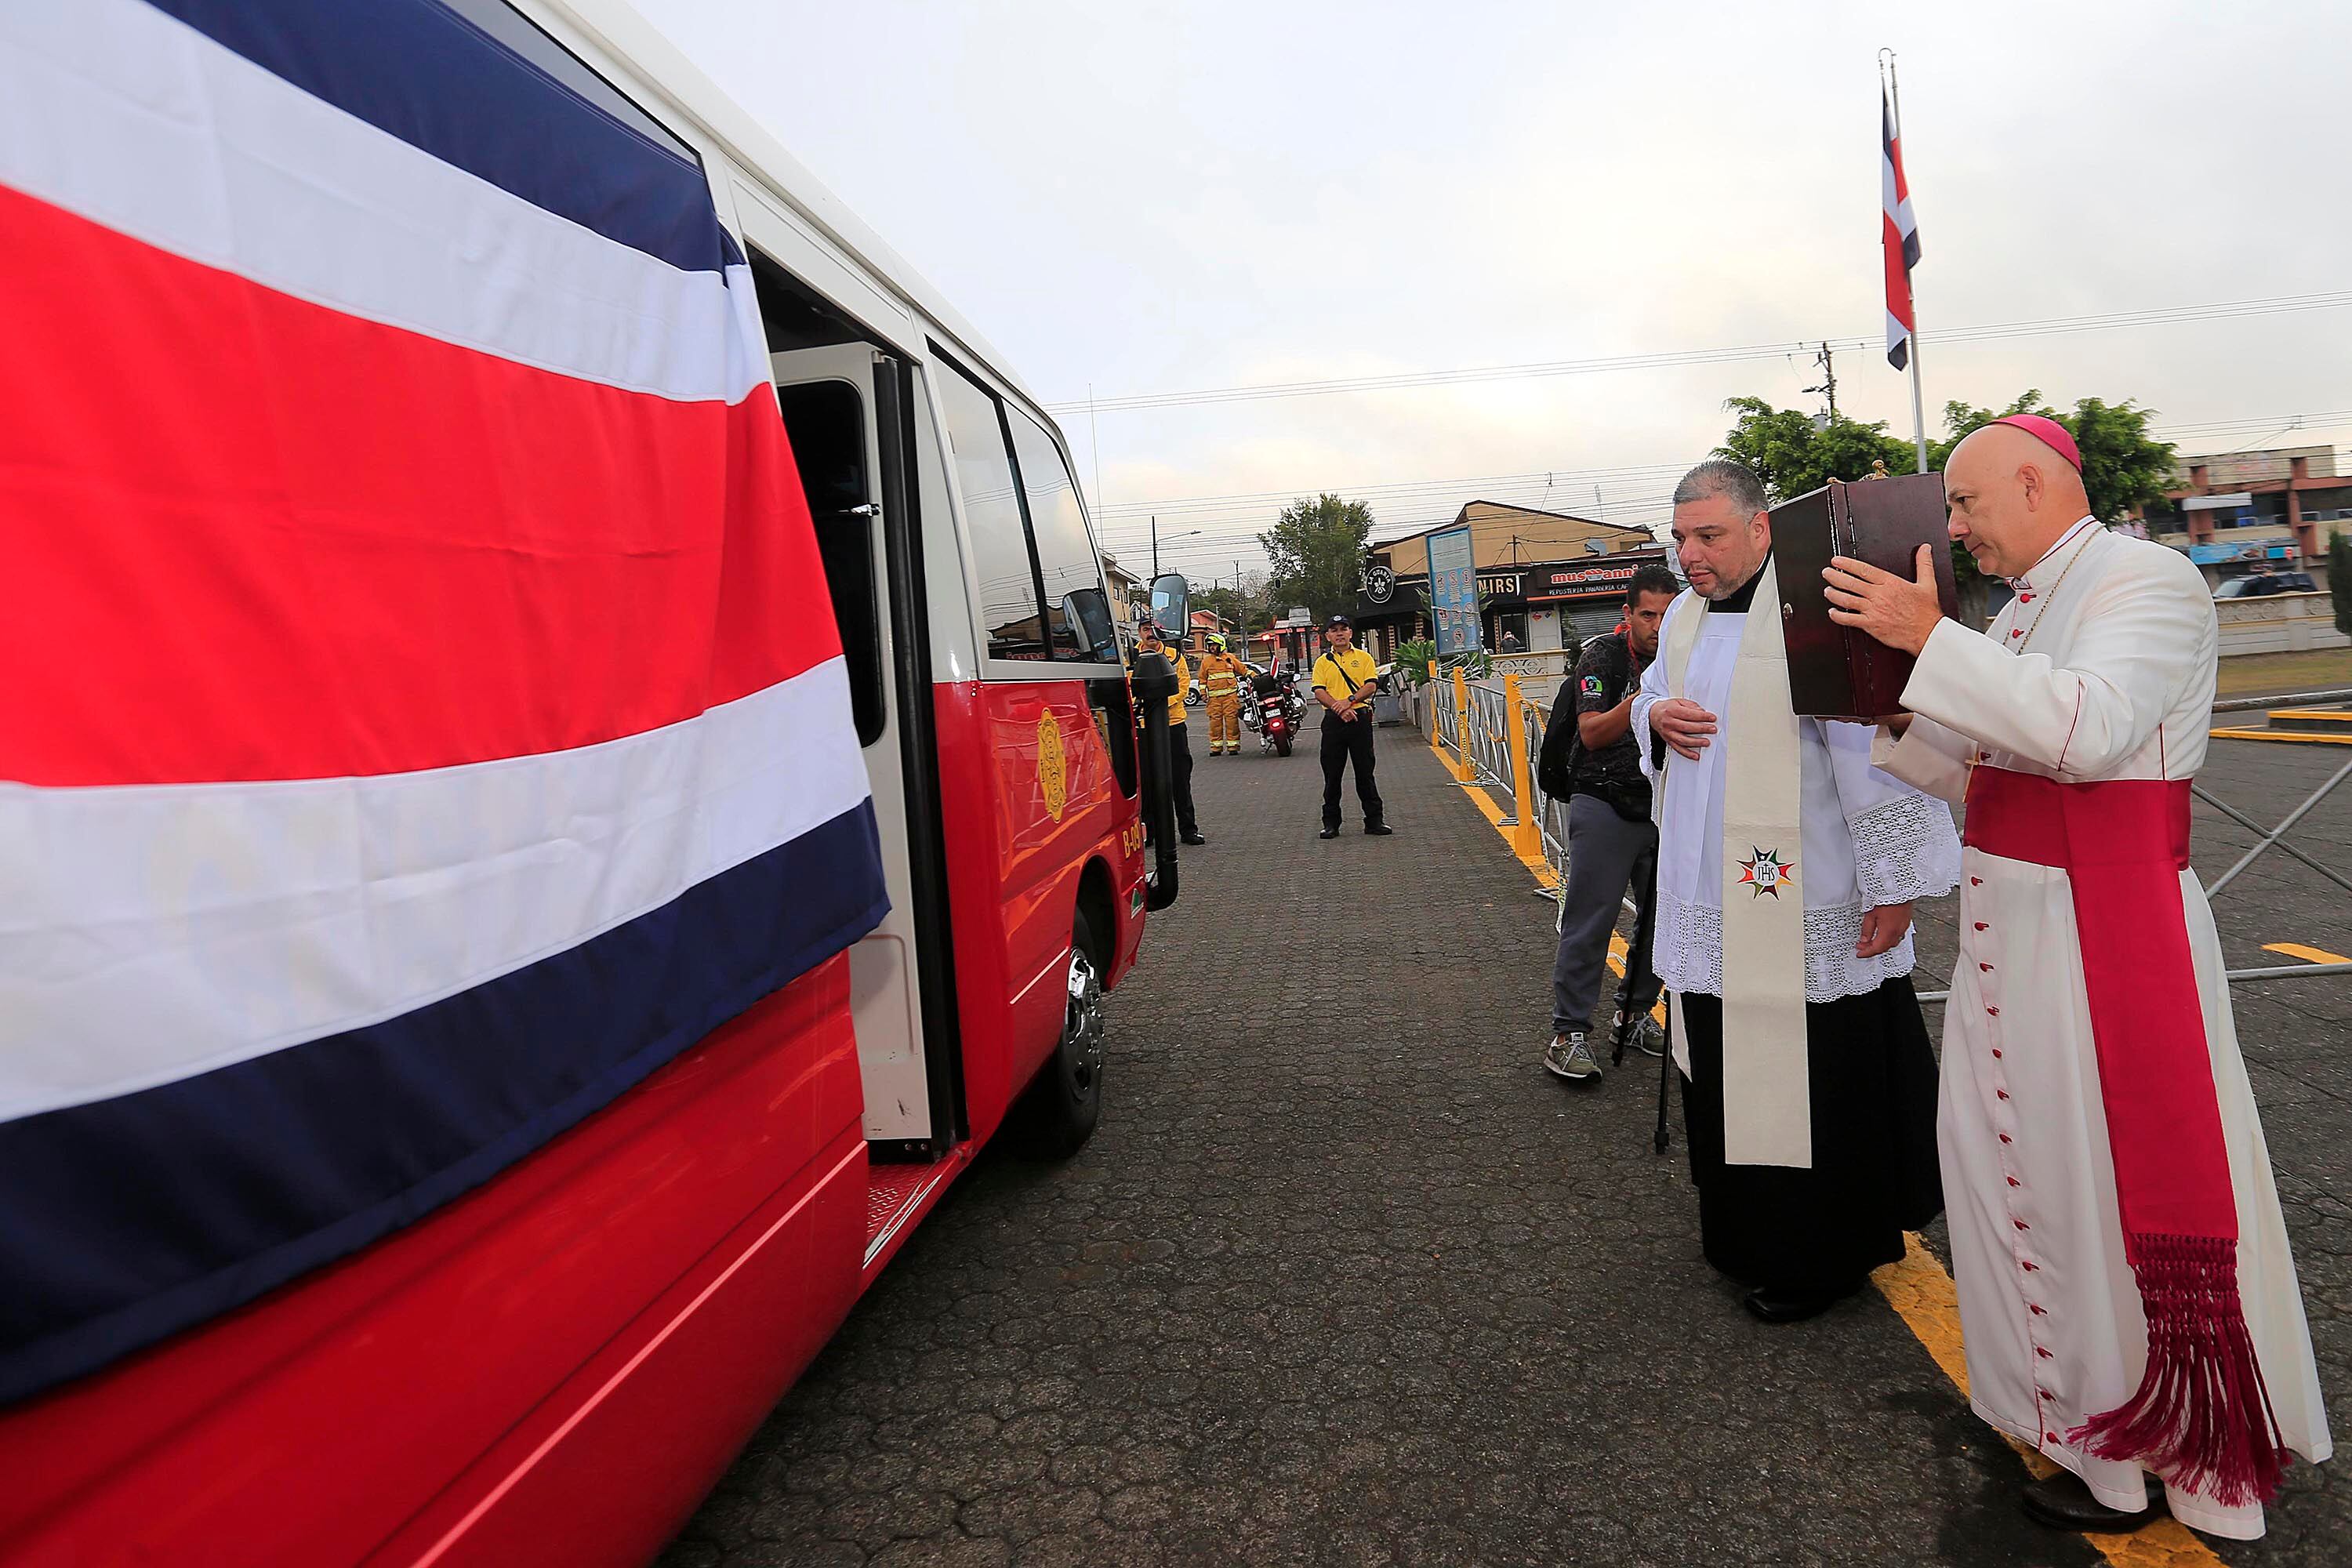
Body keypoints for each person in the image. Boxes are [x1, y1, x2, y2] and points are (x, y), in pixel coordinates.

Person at [1824, 416, 2330, 1540]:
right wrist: (1902, 702)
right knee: (2036, 1187)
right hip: (2017, 942)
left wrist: (1929, 638)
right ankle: (2094, 1442)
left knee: (2107, 1196)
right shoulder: (2019, 610)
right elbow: (1999, 779)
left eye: (1965, 505)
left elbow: (2091, 733)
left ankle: (2179, 1453)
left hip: (2105, 936)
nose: (1957, 529)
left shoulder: (2146, 580)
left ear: (2032, 481)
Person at [1634, 459, 1958, 1324]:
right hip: (1710, 894)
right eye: (1680, 538)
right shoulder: (1684, 619)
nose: (1690, 556)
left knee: (1819, 1077)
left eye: (1709, 536)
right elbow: (1652, 697)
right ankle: (1744, 1237)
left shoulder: (1812, 612)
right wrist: (1652, 716)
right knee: (1730, 1075)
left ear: (1761, 527)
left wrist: (1894, 883)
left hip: (1807, 892)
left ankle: (1823, 1256)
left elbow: (1866, 746)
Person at [1536, 565, 1679, 1080]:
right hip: (1603, 801)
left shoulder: (1686, 656)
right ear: (1628, 614)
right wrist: (1645, 700)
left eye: (1667, 615)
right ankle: (1568, 1032)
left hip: (1665, 806)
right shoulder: (1603, 657)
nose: (1657, 627)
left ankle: (1634, 1015)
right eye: (1648, 615)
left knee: (1665, 922)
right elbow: (1593, 732)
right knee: (1591, 922)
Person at [1311, 615, 1390, 840]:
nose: (1339, 633)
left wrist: (1350, 701)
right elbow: (1319, 691)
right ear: (1328, 636)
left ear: (1350, 633)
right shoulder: (1322, 662)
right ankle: (1331, 824)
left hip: (1360, 720)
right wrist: (1340, 709)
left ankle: (1374, 821)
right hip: (1333, 723)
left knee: (1365, 773)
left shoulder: (1364, 658)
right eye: (1334, 630)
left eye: (1343, 629)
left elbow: (1371, 685)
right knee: (1332, 775)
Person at [1132, 621, 1204, 845]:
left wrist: (1157, 704)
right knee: (1147, 782)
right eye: (1146, 629)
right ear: (1139, 633)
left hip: (1173, 725)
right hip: (1143, 727)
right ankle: (1150, 832)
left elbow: (1182, 688)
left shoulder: (1175, 656)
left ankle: (1188, 830)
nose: (1150, 633)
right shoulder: (1129, 658)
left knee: (1180, 780)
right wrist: (1147, 706)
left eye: (1154, 629)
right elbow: (1128, 688)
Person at [1197, 635, 1248, 756]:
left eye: (1214, 645)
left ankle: (1233, 747)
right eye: (1210, 645)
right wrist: (1203, 694)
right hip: (1214, 700)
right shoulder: (1206, 662)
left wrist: (1255, 677)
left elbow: (1243, 670)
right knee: (1215, 724)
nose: (1212, 648)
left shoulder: (1230, 658)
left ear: (1221, 645)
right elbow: (1202, 680)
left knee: (1232, 723)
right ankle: (1216, 748)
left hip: (1230, 699)